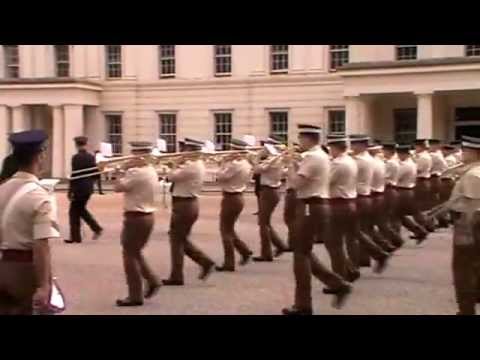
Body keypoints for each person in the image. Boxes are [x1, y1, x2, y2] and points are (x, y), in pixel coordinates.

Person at [282, 125, 352, 316]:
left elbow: (296, 183)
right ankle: (336, 283)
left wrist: (289, 165)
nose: (299, 142)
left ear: (308, 139)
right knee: (303, 251)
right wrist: (296, 163)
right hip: (313, 204)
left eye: (300, 138)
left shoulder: (313, 157)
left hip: (310, 205)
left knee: (300, 255)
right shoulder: (318, 155)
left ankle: (303, 304)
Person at [0, 130, 61, 315]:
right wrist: (44, 285)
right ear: (40, 155)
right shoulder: (40, 196)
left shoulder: (2, 189)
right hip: (24, 268)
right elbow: (41, 245)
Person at [113, 141, 162, 307]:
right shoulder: (150, 170)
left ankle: (135, 295)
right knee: (135, 252)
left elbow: (118, 187)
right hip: (146, 216)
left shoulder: (137, 172)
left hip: (136, 217)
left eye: (134, 154)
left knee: (129, 255)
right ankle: (152, 280)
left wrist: (118, 172)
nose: (131, 157)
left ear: (141, 156)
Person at [162, 138, 215, 286]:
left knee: (176, 241)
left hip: (184, 204)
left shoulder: (191, 166)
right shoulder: (193, 164)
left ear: (191, 150)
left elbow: (171, 177)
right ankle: (204, 262)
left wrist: (173, 165)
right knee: (180, 239)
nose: (182, 151)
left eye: (185, 149)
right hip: (185, 204)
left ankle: (178, 275)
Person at [447, 135, 480, 315]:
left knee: (463, 269)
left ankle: (466, 309)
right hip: (472, 223)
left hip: (468, 223)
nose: (462, 153)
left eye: (465, 150)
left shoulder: (473, 175)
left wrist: (465, 232)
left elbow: (473, 207)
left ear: (474, 153)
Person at [347, 134, 390, 271]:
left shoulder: (358, 161)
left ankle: (359, 262)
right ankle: (364, 258)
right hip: (366, 196)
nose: (351, 147)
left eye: (353, 144)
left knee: (352, 234)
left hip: (358, 197)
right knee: (361, 230)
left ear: (360, 145)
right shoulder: (370, 159)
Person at [324, 135, 361, 284]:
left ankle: (339, 277)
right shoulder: (350, 160)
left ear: (334, 148)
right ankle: (350, 269)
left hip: (338, 204)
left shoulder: (338, 163)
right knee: (344, 240)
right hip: (349, 202)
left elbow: (325, 182)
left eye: (330, 149)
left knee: (333, 243)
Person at [215, 138, 254, 272]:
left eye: (232, 149)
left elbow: (221, 177)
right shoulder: (246, 164)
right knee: (229, 229)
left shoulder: (235, 165)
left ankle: (229, 262)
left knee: (225, 230)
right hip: (238, 196)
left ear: (236, 151)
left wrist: (223, 164)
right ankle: (244, 251)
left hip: (231, 197)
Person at [252, 136, 289, 262]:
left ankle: (266, 253)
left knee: (263, 223)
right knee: (265, 222)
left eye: (266, 146)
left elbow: (257, 170)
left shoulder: (274, 159)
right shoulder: (275, 159)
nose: (263, 148)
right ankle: (280, 246)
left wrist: (256, 157)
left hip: (268, 191)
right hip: (270, 191)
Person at [65, 136, 103, 244]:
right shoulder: (91, 157)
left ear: (76, 145)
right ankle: (81, 235)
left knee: (74, 211)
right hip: (88, 188)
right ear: (85, 144)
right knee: (80, 210)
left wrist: (70, 190)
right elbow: (96, 173)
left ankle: (79, 236)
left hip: (79, 188)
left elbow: (74, 175)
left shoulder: (76, 158)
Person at [368, 141, 401, 252]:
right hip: (386, 190)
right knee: (384, 219)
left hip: (387, 190)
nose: (383, 152)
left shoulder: (390, 163)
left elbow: (384, 178)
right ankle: (393, 239)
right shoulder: (384, 162)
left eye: (385, 151)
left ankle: (393, 239)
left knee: (384, 219)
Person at [395, 145, 430, 243]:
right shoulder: (412, 163)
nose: (399, 156)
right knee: (401, 214)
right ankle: (419, 230)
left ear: (404, 154)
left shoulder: (405, 165)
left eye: (400, 154)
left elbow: (396, 178)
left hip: (403, 191)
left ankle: (418, 230)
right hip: (407, 190)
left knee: (396, 215)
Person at [413, 139, 436, 233]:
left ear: (420, 147)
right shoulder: (425, 156)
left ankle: (426, 225)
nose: (415, 149)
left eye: (416, 147)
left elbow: (417, 170)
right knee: (423, 206)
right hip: (423, 180)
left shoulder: (423, 157)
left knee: (419, 206)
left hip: (421, 181)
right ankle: (429, 224)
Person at [429, 139, 449, 228]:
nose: (429, 147)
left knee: (431, 201)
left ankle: (433, 222)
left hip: (434, 178)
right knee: (436, 201)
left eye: (431, 145)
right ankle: (442, 219)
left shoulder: (434, 155)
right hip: (438, 178)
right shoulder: (439, 154)